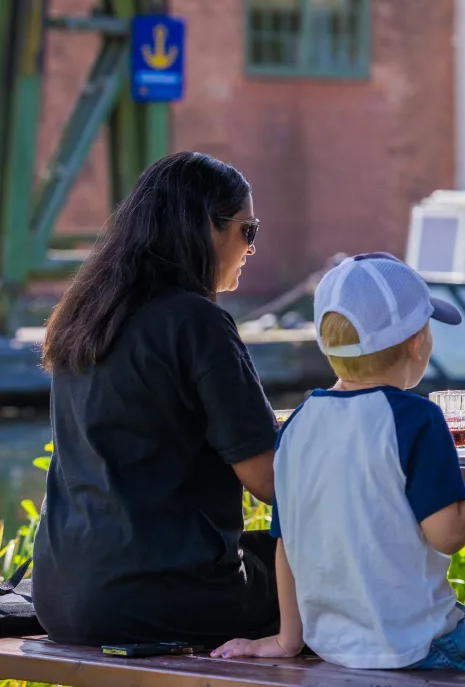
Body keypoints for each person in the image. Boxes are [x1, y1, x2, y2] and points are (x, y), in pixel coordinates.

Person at [212, 252, 465, 671]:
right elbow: (448, 534)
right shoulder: (416, 418)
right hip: (420, 650)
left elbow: (286, 543)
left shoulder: (299, 423)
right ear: (418, 343)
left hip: (333, 649)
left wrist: (288, 640)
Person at [33, 152, 279, 646]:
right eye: (247, 230)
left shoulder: (84, 317)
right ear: (205, 227)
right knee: (335, 576)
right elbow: (270, 480)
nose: (252, 248)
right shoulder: (197, 322)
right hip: (160, 597)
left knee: (269, 557)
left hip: (62, 596)